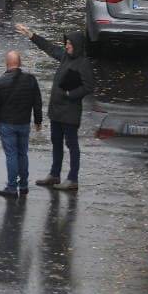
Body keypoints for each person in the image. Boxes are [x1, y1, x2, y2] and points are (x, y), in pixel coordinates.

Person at [15, 24, 95, 191]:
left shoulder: (83, 63)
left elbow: (88, 87)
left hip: (70, 113)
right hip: (56, 111)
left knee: (72, 145)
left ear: (77, 46)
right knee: (56, 142)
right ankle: (54, 174)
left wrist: (69, 94)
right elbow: (50, 48)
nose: (66, 46)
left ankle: (72, 179)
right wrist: (32, 35)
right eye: (66, 43)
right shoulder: (65, 56)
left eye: (70, 44)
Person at [0, 50, 42, 197]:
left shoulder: (0, 81)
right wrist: (38, 120)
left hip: (6, 123)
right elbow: (37, 102)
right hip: (24, 123)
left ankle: (12, 187)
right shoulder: (31, 80)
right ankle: (23, 185)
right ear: (20, 63)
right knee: (22, 154)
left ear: (7, 64)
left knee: (11, 155)